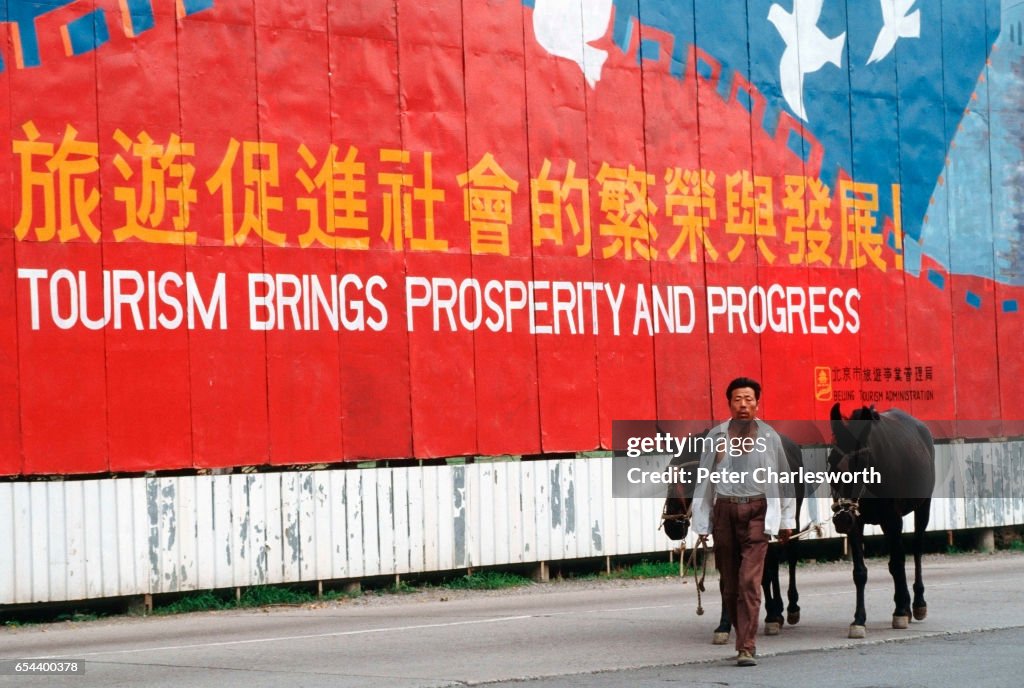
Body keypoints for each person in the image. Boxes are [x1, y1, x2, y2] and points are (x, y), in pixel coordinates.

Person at [690, 377, 796, 667]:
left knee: (750, 580)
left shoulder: (770, 437)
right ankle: (742, 636)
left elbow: (784, 479)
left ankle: (746, 646)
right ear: (729, 403)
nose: (743, 405)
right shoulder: (716, 436)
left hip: (758, 512)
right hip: (725, 511)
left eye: (749, 399)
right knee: (730, 584)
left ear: (757, 404)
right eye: (738, 399)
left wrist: (787, 519)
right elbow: (704, 481)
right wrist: (702, 524)